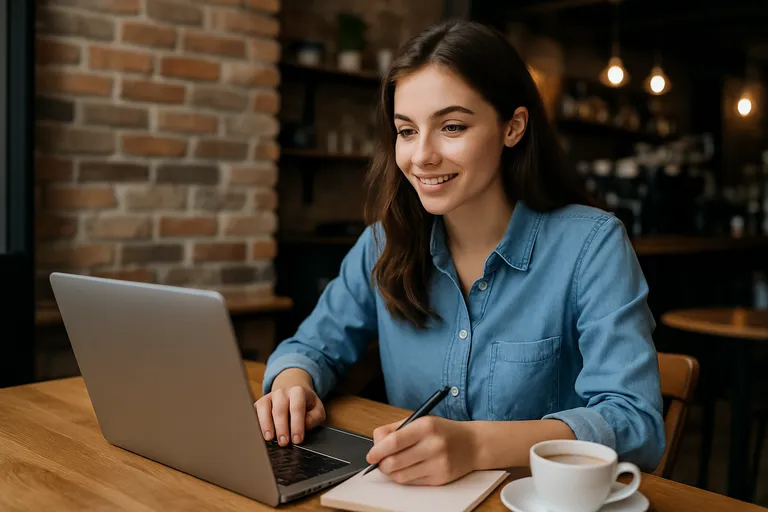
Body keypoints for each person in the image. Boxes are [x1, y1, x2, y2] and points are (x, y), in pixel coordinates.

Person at [256, 19, 665, 486]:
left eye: (451, 126)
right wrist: (292, 384)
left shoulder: (591, 246)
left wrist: (474, 446)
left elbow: (637, 424)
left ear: (513, 127)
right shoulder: (383, 243)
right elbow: (310, 347)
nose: (421, 155)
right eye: (406, 131)